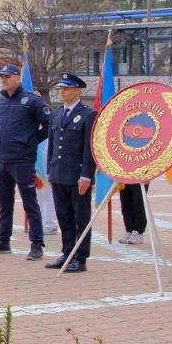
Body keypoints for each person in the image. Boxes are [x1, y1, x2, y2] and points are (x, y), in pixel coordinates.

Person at [0, 64, 50, 260]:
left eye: (7, 76)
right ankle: (3, 240)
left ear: (17, 78)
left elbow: (48, 124)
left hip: (22, 160)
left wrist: (30, 141)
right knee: (5, 203)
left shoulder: (31, 100)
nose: (3, 80)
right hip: (2, 159)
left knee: (30, 203)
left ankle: (36, 244)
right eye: (1, 77)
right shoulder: (1, 100)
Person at [45, 74, 96, 272]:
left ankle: (80, 258)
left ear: (78, 90)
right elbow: (53, 144)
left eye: (66, 88)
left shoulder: (88, 115)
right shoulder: (56, 114)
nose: (62, 91)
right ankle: (67, 254)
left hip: (77, 176)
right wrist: (50, 171)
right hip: (59, 174)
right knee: (64, 216)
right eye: (61, 88)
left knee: (80, 218)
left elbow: (90, 149)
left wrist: (86, 176)